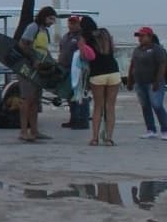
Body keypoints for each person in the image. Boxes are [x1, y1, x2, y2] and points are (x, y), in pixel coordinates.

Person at [78, 17, 121, 146]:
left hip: (97, 74)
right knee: (110, 107)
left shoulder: (84, 37)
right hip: (113, 71)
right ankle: (108, 139)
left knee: (98, 107)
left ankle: (95, 138)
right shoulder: (105, 33)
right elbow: (112, 49)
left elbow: (83, 57)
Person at [17, 6, 57, 142]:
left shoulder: (44, 31)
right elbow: (23, 45)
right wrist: (33, 59)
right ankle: (23, 131)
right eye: (51, 19)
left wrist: (52, 62)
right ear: (44, 17)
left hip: (40, 68)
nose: (52, 22)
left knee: (35, 100)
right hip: (28, 67)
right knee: (26, 99)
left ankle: (34, 131)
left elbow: (44, 50)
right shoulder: (32, 27)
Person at [127, 26, 167, 141]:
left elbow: (162, 65)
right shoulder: (137, 49)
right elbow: (132, 65)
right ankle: (151, 130)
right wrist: (130, 80)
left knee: (157, 105)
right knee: (145, 106)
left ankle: (165, 129)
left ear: (150, 36)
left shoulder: (157, 49)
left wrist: (157, 81)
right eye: (139, 36)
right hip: (139, 83)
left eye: (142, 36)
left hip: (154, 82)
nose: (139, 38)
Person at [57, 15, 90, 129]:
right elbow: (61, 51)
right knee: (70, 95)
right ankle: (74, 119)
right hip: (65, 69)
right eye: (70, 23)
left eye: (74, 23)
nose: (72, 25)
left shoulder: (82, 37)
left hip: (78, 69)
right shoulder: (65, 37)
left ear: (78, 24)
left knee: (80, 95)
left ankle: (83, 120)